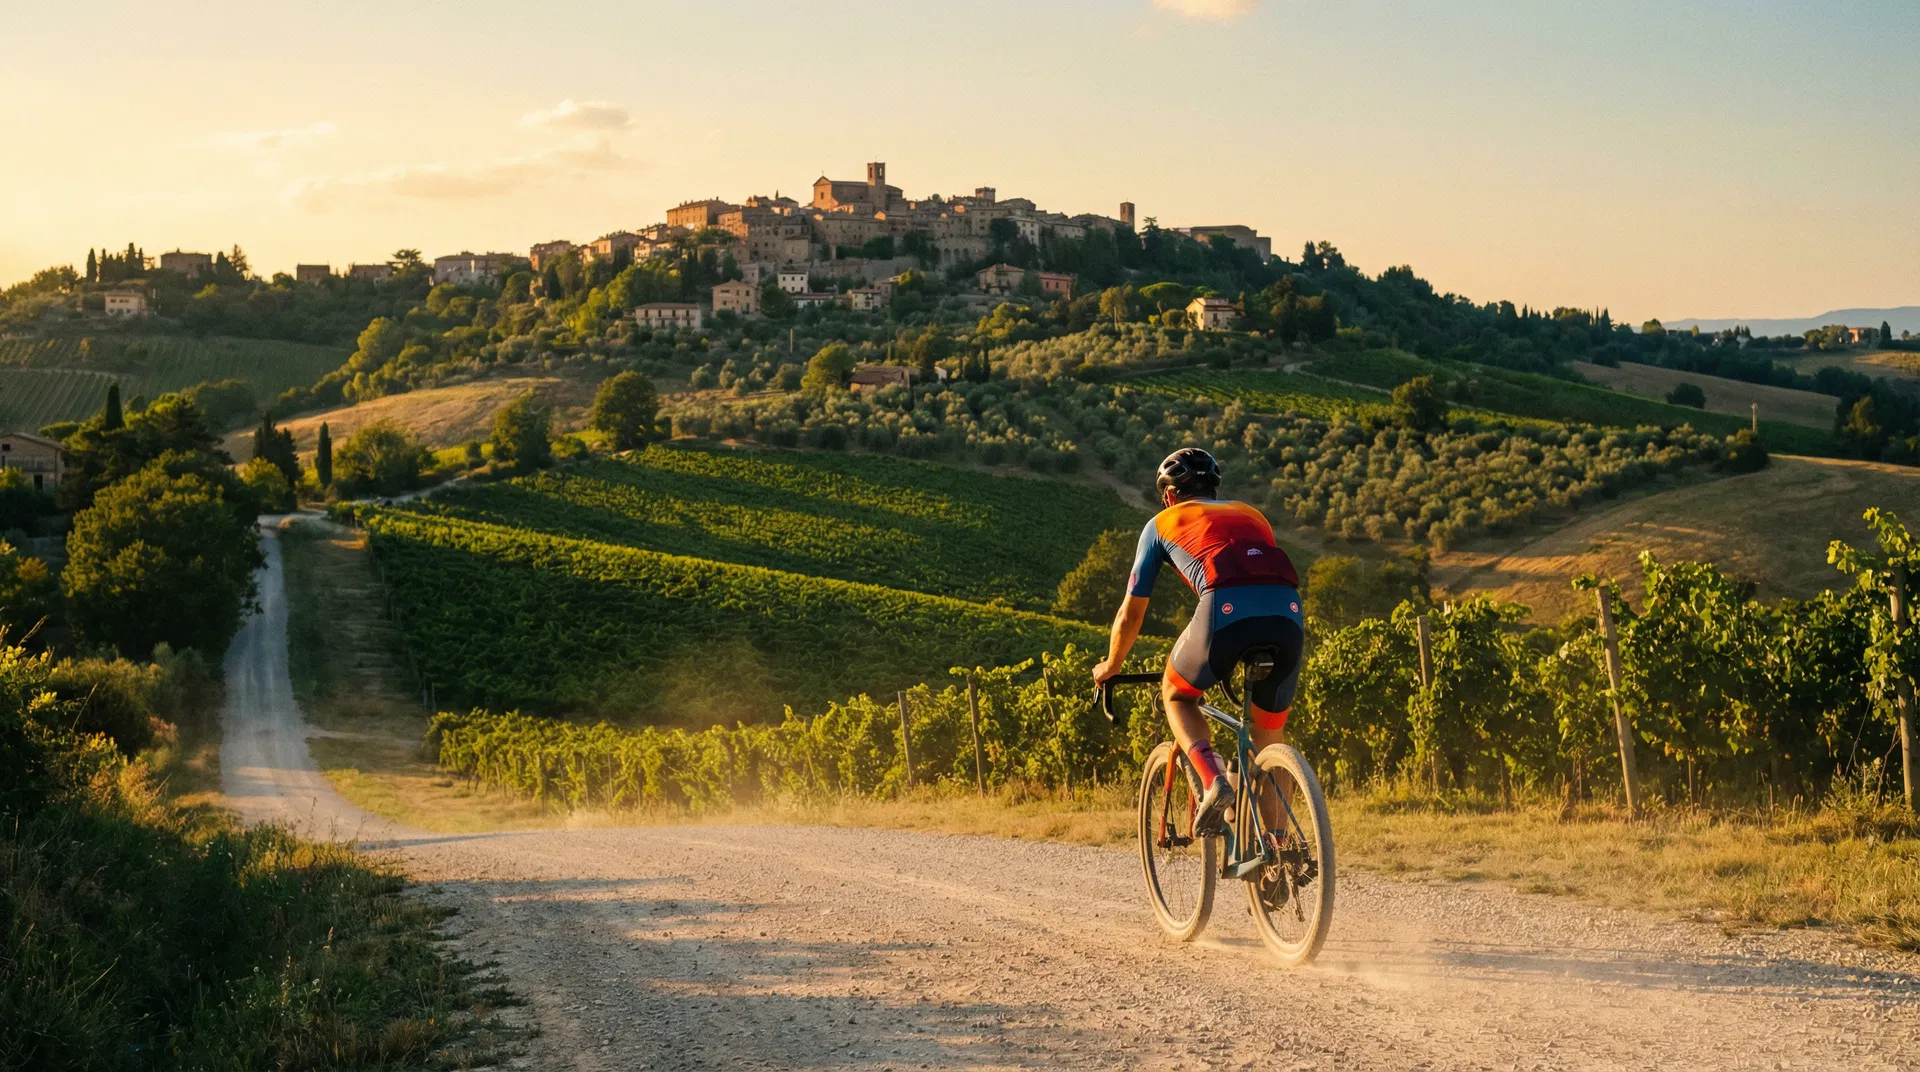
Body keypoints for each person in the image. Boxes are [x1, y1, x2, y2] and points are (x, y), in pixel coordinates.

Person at [1090, 447, 1303, 833]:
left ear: (1169, 495)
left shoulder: (1160, 524)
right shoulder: (1252, 514)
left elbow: (1130, 614)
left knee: (1176, 692)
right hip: (1287, 613)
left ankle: (1213, 781)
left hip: (1223, 610)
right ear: (1215, 490)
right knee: (1269, 738)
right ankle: (1279, 855)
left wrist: (1111, 666)